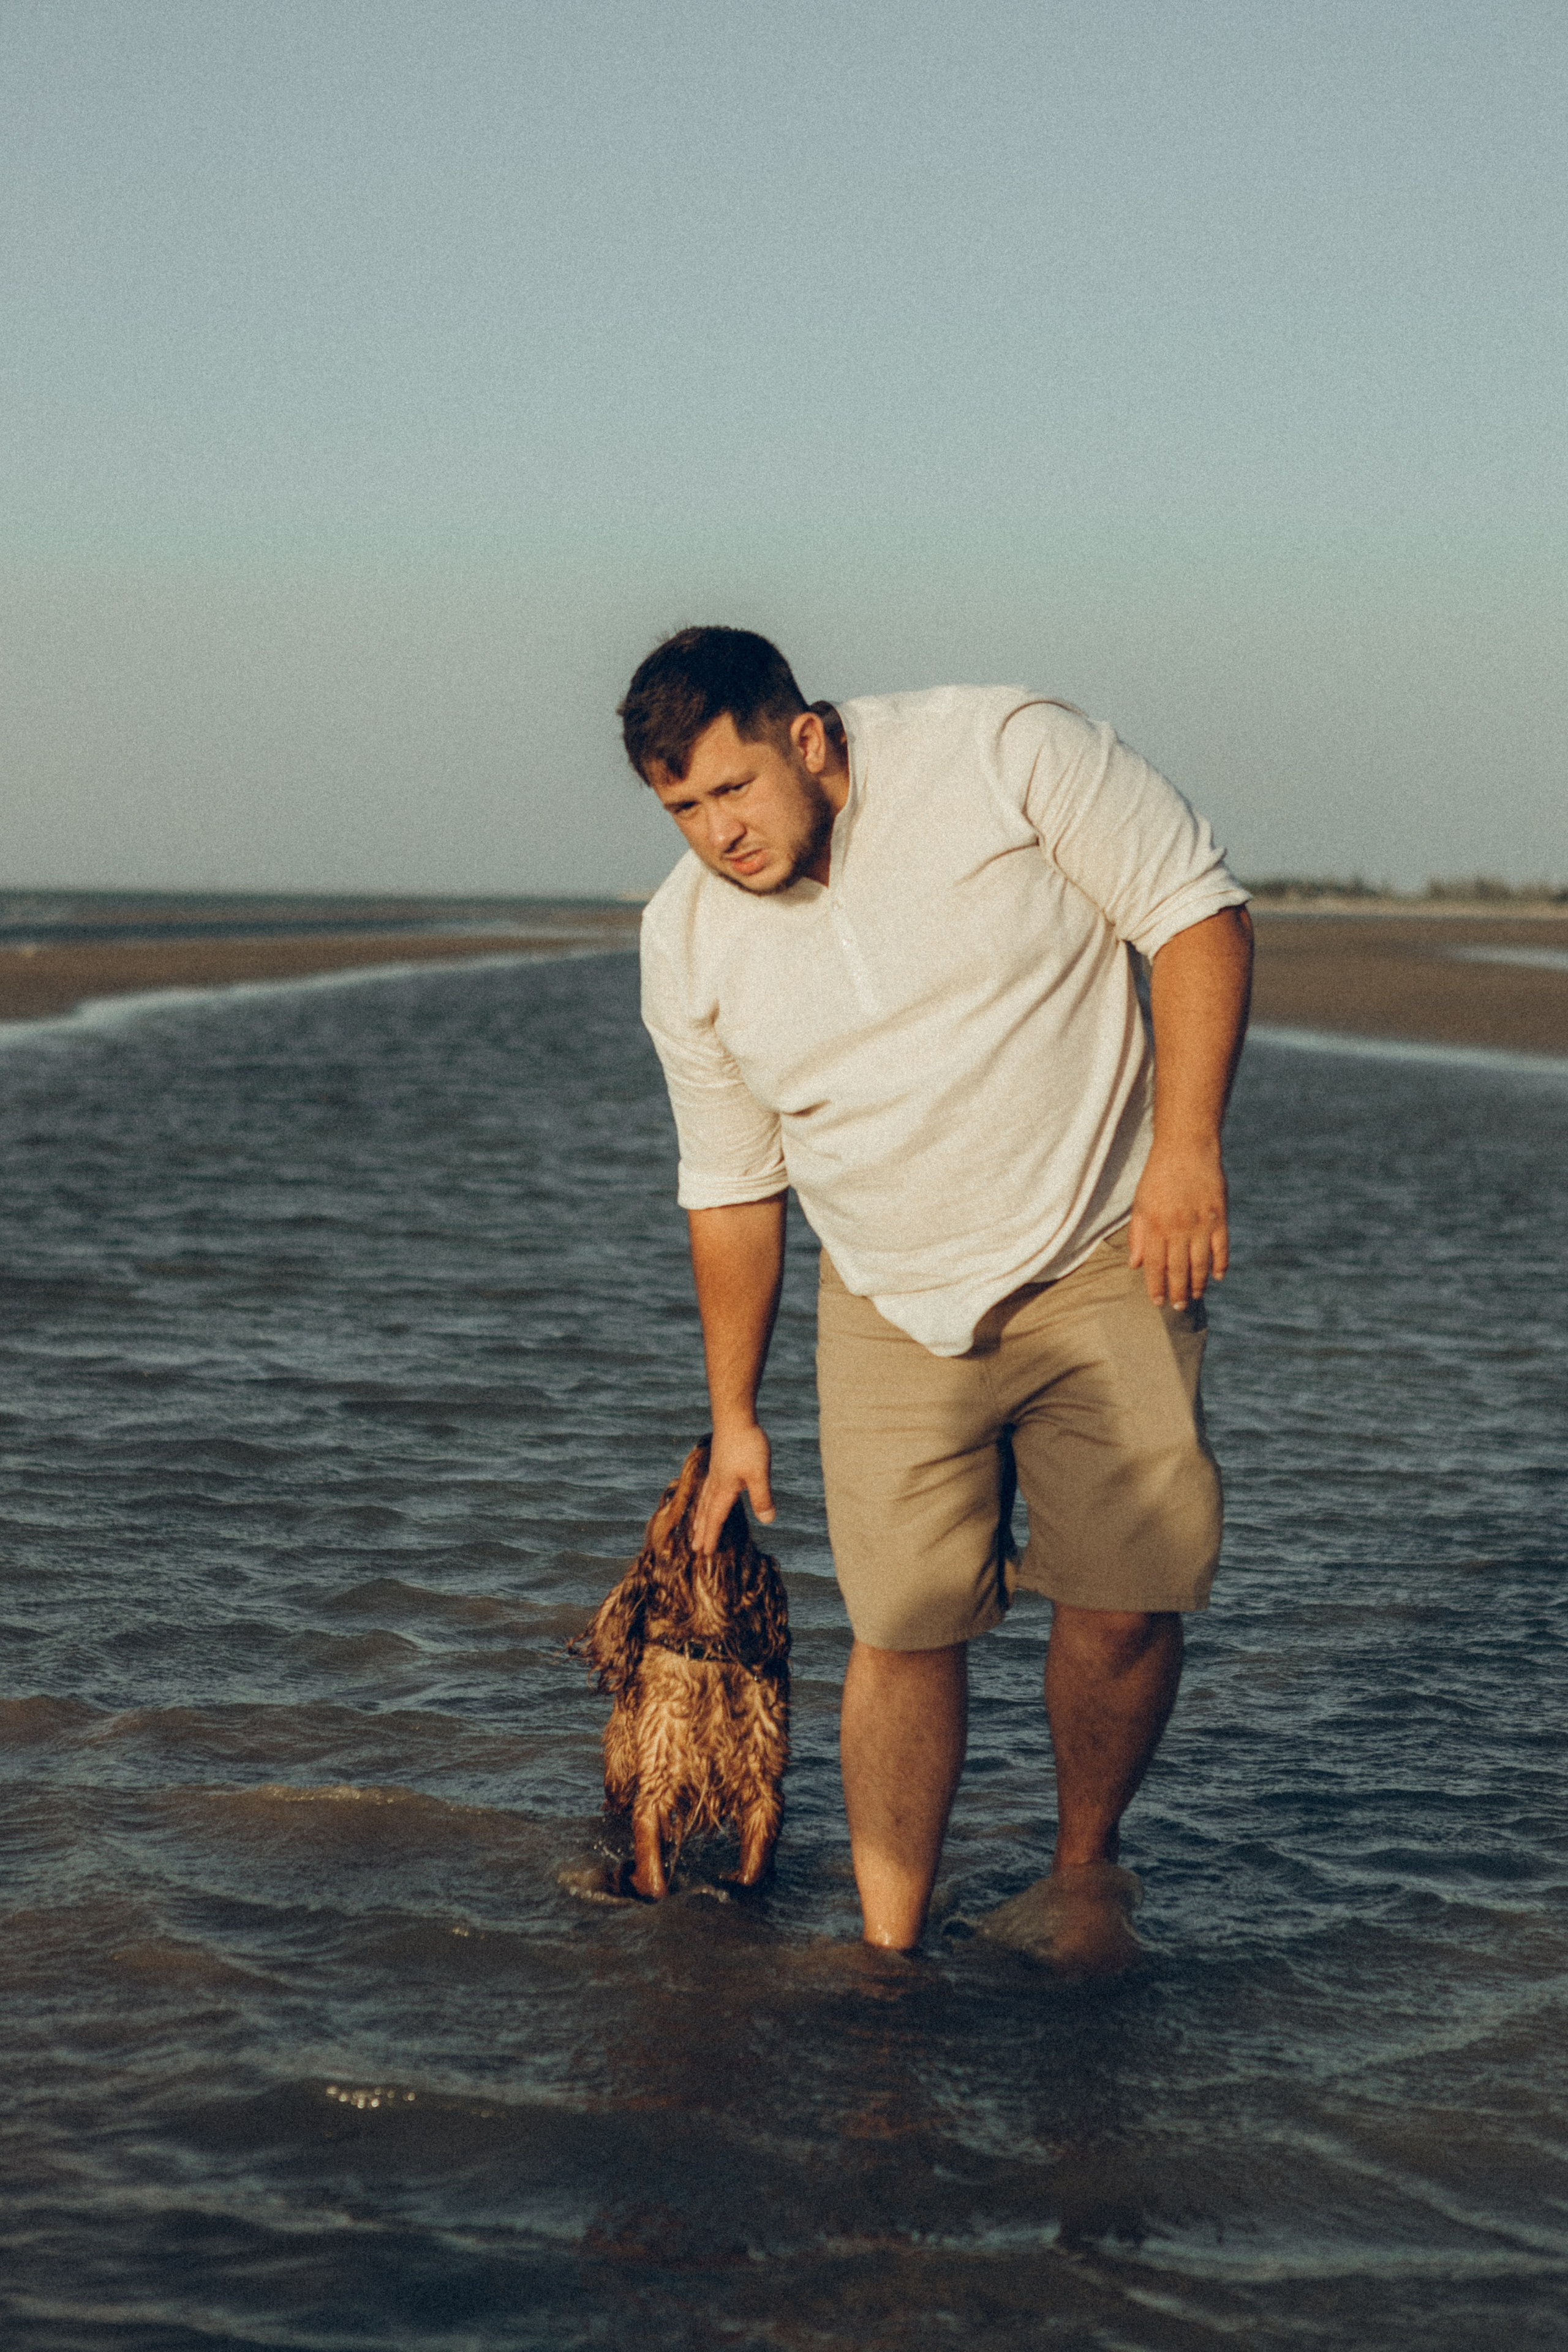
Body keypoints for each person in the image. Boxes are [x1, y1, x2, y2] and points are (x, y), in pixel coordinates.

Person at [622, 625, 1253, 1964]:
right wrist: (732, 1416)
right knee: (903, 1627)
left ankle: (1081, 1876)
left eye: (732, 789)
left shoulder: (1002, 750)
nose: (718, 834)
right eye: (683, 810)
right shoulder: (683, 942)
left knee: (1128, 1593)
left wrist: (1185, 1149)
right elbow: (731, 1189)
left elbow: (1193, 913)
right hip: (887, 1300)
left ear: (804, 734)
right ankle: (887, 1952)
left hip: (1099, 1248)